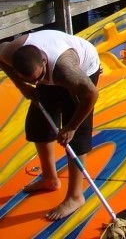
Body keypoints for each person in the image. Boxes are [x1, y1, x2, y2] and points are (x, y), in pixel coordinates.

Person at [0, 30, 100, 221]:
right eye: (31, 80)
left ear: (44, 62)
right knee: (38, 125)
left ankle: (75, 197)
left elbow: (91, 94)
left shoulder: (66, 70)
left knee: (76, 136)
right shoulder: (11, 53)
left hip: (84, 70)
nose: (37, 83)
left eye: (38, 78)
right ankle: (49, 179)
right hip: (49, 69)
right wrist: (22, 86)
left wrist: (71, 127)